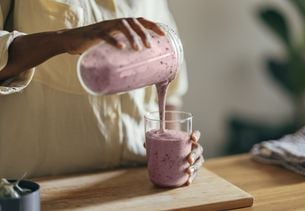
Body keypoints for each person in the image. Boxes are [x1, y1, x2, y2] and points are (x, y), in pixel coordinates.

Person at [0, 0, 203, 184]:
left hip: (135, 184)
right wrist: (64, 39)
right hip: (36, 190)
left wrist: (177, 155)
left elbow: (171, 90)